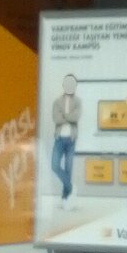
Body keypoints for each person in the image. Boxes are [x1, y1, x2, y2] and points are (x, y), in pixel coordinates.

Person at [52, 74, 81, 209]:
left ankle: (65, 198)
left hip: (71, 139)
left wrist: (64, 115)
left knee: (69, 169)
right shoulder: (57, 101)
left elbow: (76, 117)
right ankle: (70, 187)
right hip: (59, 139)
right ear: (64, 85)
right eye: (67, 83)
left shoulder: (78, 101)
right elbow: (56, 119)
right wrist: (69, 116)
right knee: (55, 165)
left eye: (72, 83)